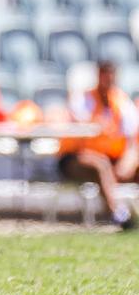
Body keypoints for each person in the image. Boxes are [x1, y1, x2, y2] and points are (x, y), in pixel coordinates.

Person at [59, 61, 139, 230]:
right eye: (103, 74)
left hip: (111, 157)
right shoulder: (84, 99)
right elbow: (78, 125)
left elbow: (131, 140)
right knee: (101, 164)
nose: (107, 79)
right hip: (76, 156)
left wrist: (128, 162)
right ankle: (119, 214)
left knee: (122, 166)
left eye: (110, 75)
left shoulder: (121, 101)